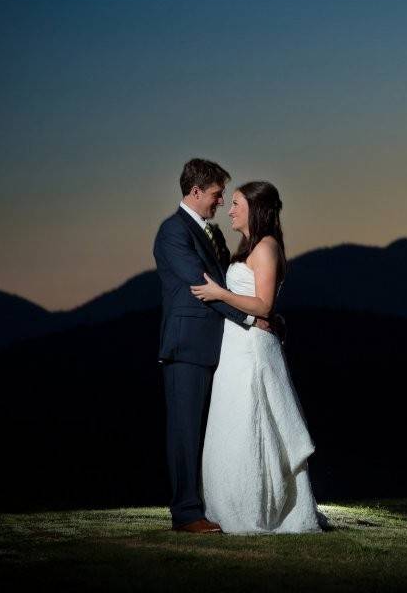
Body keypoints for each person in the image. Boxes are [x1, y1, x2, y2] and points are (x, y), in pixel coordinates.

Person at [191, 181, 322, 534]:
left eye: (236, 204)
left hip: (251, 349)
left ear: (255, 208)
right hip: (236, 347)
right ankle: (228, 503)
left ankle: (256, 507)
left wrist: (220, 293)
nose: (230, 210)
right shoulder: (249, 246)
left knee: (254, 422)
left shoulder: (265, 247)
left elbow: (264, 304)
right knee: (233, 422)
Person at [153, 159, 273, 533]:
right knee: (185, 431)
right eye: (217, 194)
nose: (221, 202)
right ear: (195, 192)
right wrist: (252, 320)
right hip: (186, 346)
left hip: (218, 347)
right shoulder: (173, 231)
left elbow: (227, 287)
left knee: (212, 432)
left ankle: (211, 505)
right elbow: (202, 288)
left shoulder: (213, 234)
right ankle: (186, 513)